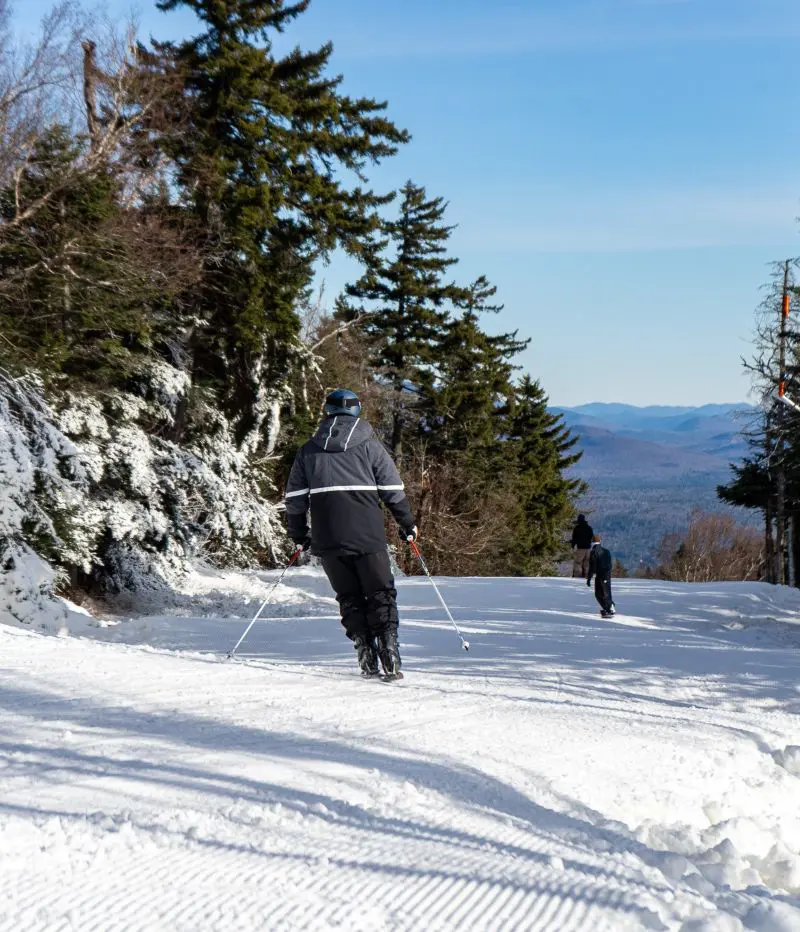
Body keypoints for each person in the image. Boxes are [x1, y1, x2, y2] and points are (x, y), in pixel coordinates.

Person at [284, 388, 417, 679]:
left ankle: (364, 651)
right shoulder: (370, 446)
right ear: (357, 411)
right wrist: (407, 524)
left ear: (327, 411)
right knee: (380, 592)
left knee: (349, 596)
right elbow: (393, 491)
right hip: (368, 537)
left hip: (328, 539)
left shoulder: (308, 450)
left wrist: (299, 534)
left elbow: (294, 498)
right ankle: (389, 651)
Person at [587, 534, 615, 618]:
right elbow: (610, 564)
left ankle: (608, 609)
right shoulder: (606, 551)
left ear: (592, 542)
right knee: (606, 591)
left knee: (600, 593)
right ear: (600, 541)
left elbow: (592, 567)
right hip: (607, 574)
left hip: (600, 575)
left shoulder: (594, 552)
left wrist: (589, 578)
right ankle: (610, 607)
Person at [570, 514, 594, 578]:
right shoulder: (589, 528)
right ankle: (586, 575)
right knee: (587, 562)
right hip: (588, 548)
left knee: (578, 562)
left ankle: (577, 576)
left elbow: (574, 538)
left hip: (580, 548)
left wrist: (572, 546)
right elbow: (591, 537)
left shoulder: (577, 528)